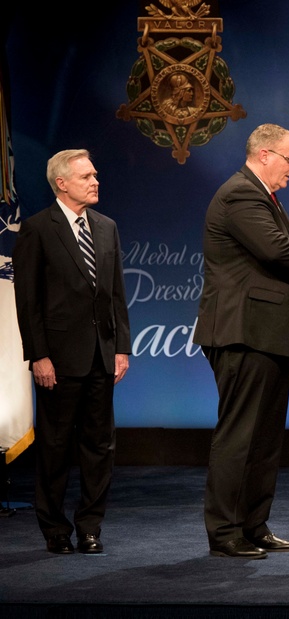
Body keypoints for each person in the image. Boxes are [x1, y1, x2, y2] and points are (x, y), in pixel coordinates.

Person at [194, 123, 289, 559]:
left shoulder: (264, 197)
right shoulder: (241, 193)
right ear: (264, 155)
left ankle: (254, 525)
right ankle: (226, 531)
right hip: (244, 333)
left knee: (265, 439)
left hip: (267, 334)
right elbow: (276, 251)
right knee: (240, 435)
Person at [12, 149, 131, 555]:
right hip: (59, 360)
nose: (96, 181)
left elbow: (116, 293)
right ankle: (55, 529)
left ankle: (90, 527)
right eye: (86, 176)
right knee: (55, 447)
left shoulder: (106, 226)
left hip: (102, 355)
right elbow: (28, 301)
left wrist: (121, 349)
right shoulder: (37, 229)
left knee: (100, 447)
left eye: (95, 174)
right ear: (61, 183)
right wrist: (38, 355)